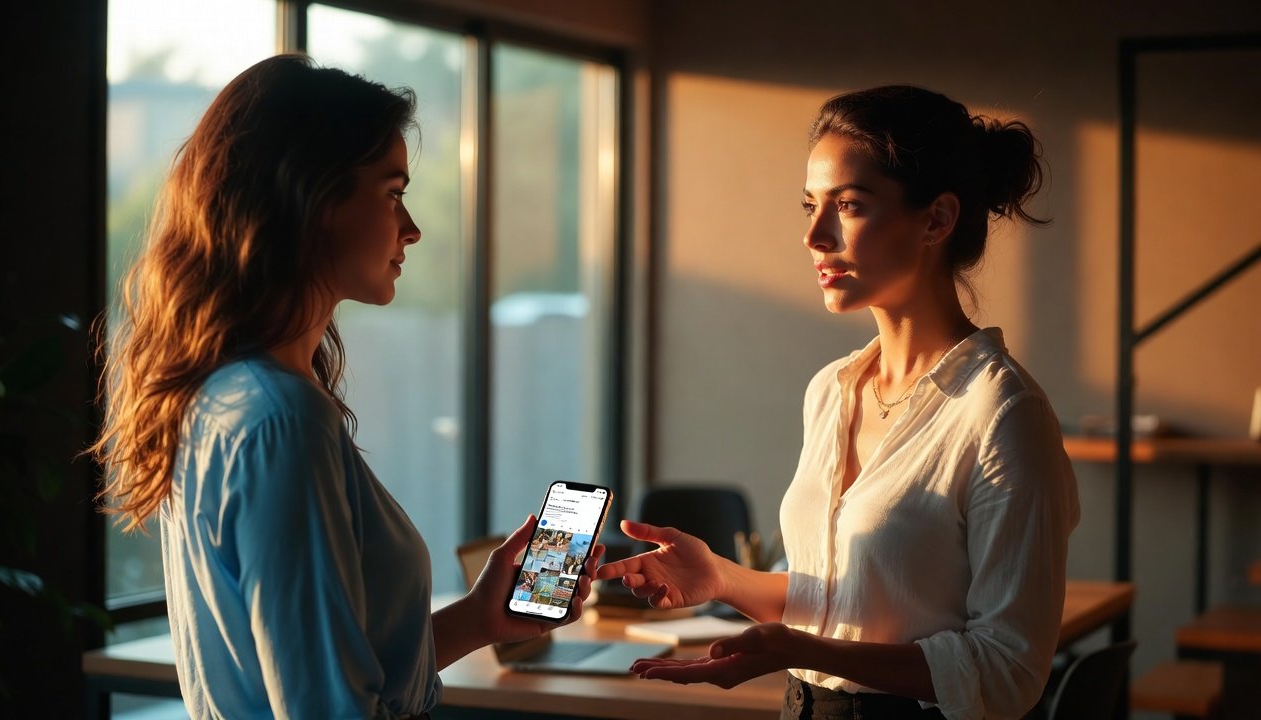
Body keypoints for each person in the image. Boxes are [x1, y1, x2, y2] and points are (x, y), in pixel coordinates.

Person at [90, 54, 602, 720]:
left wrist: (480, 617)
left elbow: (328, 674)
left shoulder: (229, 395)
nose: (412, 227)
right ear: (314, 199)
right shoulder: (282, 419)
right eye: (392, 193)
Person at [599, 85, 1080, 720]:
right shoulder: (832, 390)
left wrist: (804, 650)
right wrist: (718, 578)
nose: (814, 236)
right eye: (810, 205)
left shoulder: (1003, 415)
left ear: (937, 218)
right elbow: (841, 605)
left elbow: (1007, 671)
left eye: (848, 205)